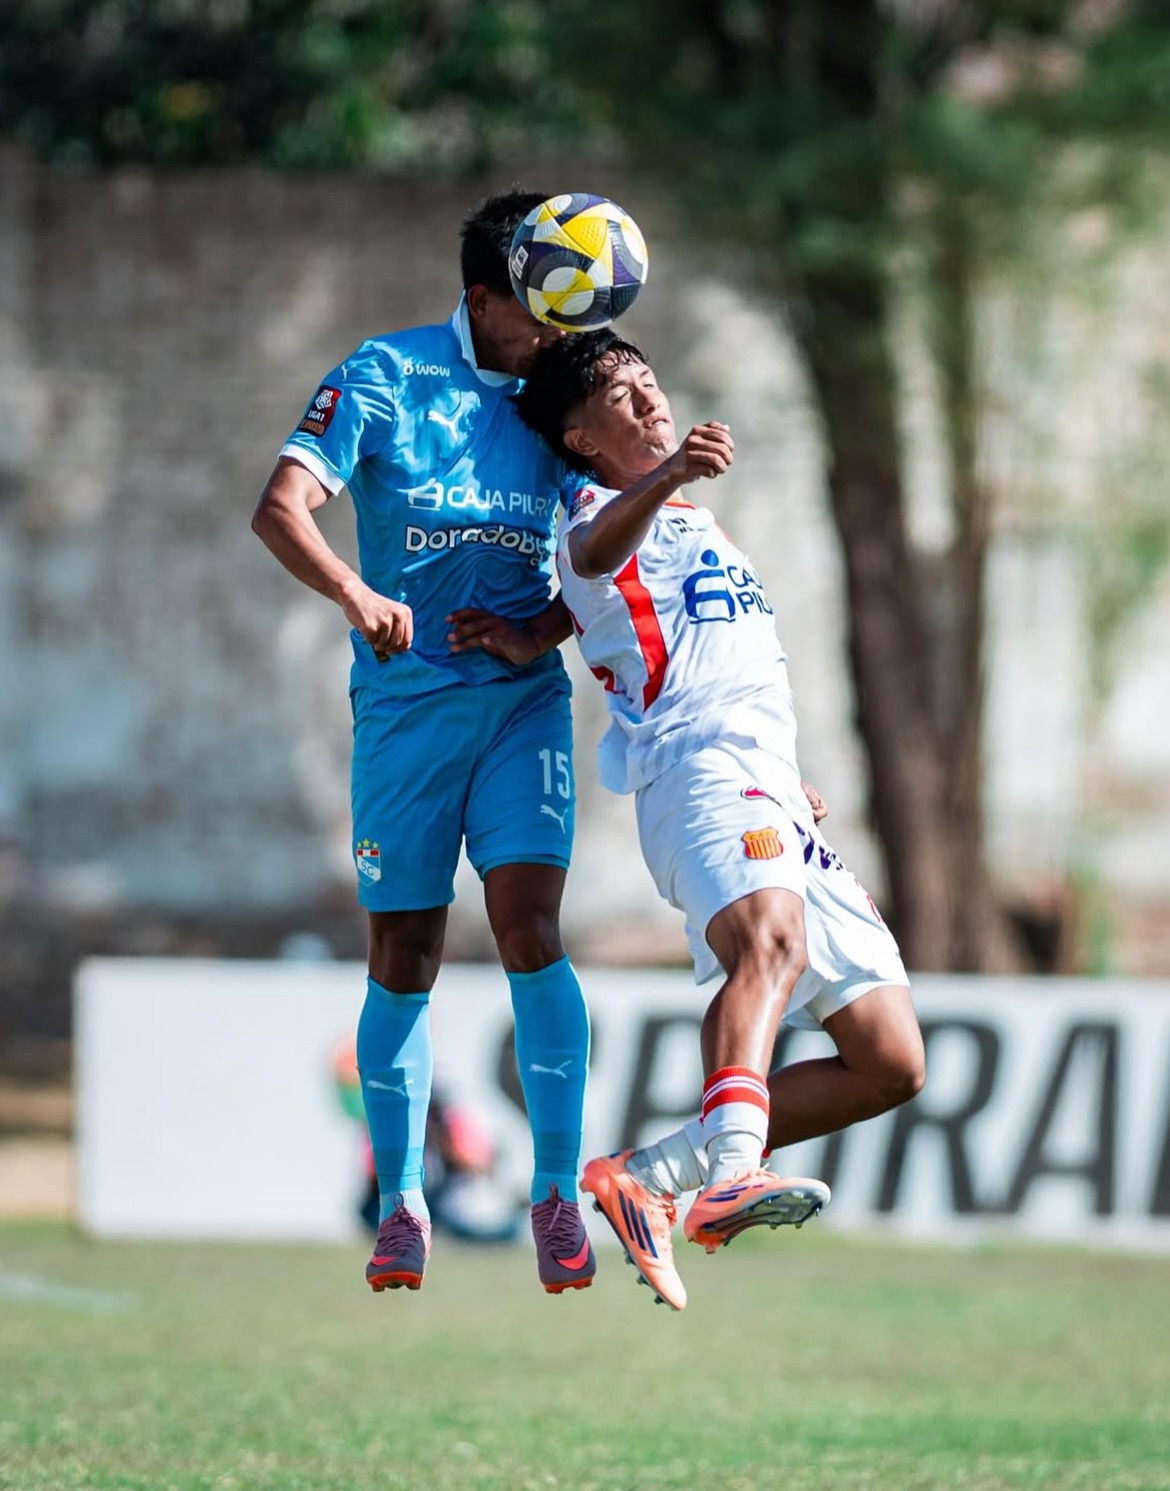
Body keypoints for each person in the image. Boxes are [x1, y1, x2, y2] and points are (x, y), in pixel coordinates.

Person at [449, 330, 925, 1311]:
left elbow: (598, 601)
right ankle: (733, 1176)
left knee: (889, 1058)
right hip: (700, 771)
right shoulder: (593, 510)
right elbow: (589, 553)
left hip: (774, 786)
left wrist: (534, 631)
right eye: (623, 401)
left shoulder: (682, 523)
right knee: (770, 942)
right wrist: (665, 474)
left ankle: (649, 1177)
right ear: (580, 438)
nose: (651, 403)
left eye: (651, 386)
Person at [251, 191, 596, 1297]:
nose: (553, 329)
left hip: (518, 702)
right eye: (533, 307)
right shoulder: (387, 375)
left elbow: (607, 550)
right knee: (406, 952)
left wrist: (539, 628)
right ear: (482, 296)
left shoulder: (562, 400)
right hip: (403, 707)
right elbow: (281, 507)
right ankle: (401, 1197)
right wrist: (356, 593)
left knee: (531, 923)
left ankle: (555, 1192)